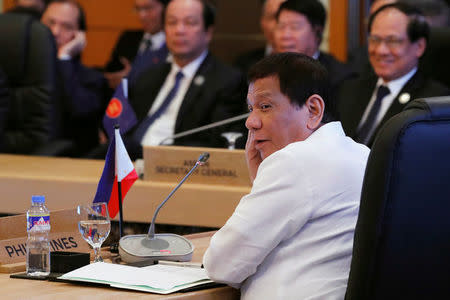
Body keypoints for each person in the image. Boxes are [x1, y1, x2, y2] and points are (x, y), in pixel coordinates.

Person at [203, 52, 370, 300]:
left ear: (313, 109)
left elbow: (221, 265)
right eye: (251, 109)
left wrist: (266, 179)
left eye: (265, 106)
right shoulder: (364, 154)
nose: (251, 122)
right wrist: (262, 182)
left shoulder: (294, 161)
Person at [127, 0, 247, 159]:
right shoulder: (148, 77)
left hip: (176, 164)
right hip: (129, 161)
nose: (179, 30)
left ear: (208, 32)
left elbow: (217, 142)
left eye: (190, 23)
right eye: (172, 22)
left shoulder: (226, 81)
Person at [338, 2, 450, 147]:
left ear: (419, 47)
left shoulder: (433, 101)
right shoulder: (348, 89)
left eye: (392, 41)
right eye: (375, 40)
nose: (381, 50)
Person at [41, 0, 107, 156]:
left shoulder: (93, 79)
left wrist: (64, 57)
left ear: (80, 36)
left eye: (67, 27)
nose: (55, 32)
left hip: (68, 163)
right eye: (50, 23)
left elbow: (79, 111)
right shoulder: (19, 72)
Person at [273, 0, 355, 98]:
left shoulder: (340, 78)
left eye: (294, 27)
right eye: (281, 27)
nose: (285, 35)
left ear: (317, 32)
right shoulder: (265, 71)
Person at [103, 0, 169, 90]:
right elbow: (109, 73)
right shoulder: (128, 38)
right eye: (138, 9)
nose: (142, 16)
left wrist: (133, 78)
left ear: (166, 8)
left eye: (148, 8)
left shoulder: (174, 44)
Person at [233, 0, 285, 74]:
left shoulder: (306, 63)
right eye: (275, 17)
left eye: (294, 23)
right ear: (262, 22)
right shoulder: (244, 64)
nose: (283, 25)